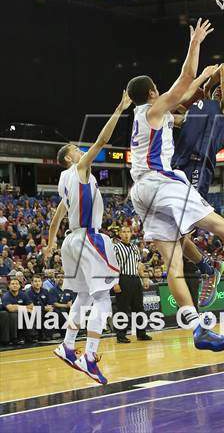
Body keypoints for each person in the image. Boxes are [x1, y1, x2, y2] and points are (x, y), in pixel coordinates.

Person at [127, 18, 224, 353]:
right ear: (154, 93)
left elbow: (192, 89)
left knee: (173, 261)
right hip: (165, 177)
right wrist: (195, 43)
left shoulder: (154, 115)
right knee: (214, 223)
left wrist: (210, 74)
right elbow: (183, 84)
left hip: (146, 185)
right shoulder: (161, 109)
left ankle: (197, 325)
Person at [44, 90, 131, 385]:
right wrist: (120, 108)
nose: (82, 150)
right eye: (76, 149)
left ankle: (67, 345)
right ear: (70, 157)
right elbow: (102, 141)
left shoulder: (62, 184)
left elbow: (57, 217)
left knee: (82, 296)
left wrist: (50, 243)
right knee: (103, 298)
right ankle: (90, 356)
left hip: (70, 241)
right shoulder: (79, 169)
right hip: (87, 238)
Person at [171, 63, 224, 308]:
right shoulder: (193, 111)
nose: (221, 91)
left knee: (181, 232)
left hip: (198, 167)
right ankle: (208, 268)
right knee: (172, 234)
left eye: (223, 90)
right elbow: (172, 117)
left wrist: (211, 83)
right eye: (216, 91)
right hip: (175, 167)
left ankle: (208, 269)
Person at [112, 226, 152, 343]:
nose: (126, 234)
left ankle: (141, 333)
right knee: (122, 309)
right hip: (123, 279)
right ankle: (120, 335)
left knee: (139, 308)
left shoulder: (135, 247)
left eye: (128, 232)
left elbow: (138, 265)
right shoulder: (116, 247)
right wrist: (115, 283)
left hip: (135, 279)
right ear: (119, 234)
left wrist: (144, 278)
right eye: (123, 232)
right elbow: (112, 266)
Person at [2, 278, 35, 344]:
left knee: (31, 312)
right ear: (9, 286)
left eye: (16, 284)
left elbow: (31, 306)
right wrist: (25, 308)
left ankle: (30, 336)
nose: (15, 285)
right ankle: (14, 338)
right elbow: (10, 309)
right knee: (14, 315)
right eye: (13, 284)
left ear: (19, 286)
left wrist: (17, 306)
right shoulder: (6, 296)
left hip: (20, 313)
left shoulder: (23, 294)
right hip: (9, 314)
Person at [26, 274, 54, 341]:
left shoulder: (45, 291)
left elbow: (50, 302)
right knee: (38, 312)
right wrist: (44, 308)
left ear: (41, 282)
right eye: (35, 281)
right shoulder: (28, 293)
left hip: (44, 310)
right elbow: (31, 306)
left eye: (39, 281)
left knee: (53, 313)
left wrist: (50, 307)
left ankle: (48, 335)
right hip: (32, 311)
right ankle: (35, 336)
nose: (37, 283)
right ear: (32, 283)